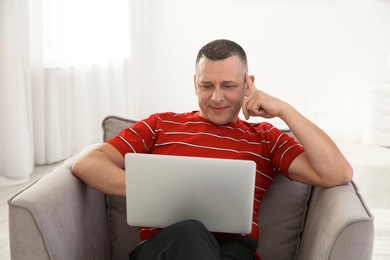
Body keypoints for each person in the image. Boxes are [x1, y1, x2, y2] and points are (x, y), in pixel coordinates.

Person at [71, 39, 353, 260]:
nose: (217, 97)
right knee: (191, 231)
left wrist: (284, 110)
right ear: (195, 84)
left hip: (234, 249)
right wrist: (154, 189)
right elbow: (87, 164)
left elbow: (337, 173)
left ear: (247, 84)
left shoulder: (265, 137)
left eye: (228, 86)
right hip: (166, 248)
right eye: (207, 85)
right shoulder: (160, 125)